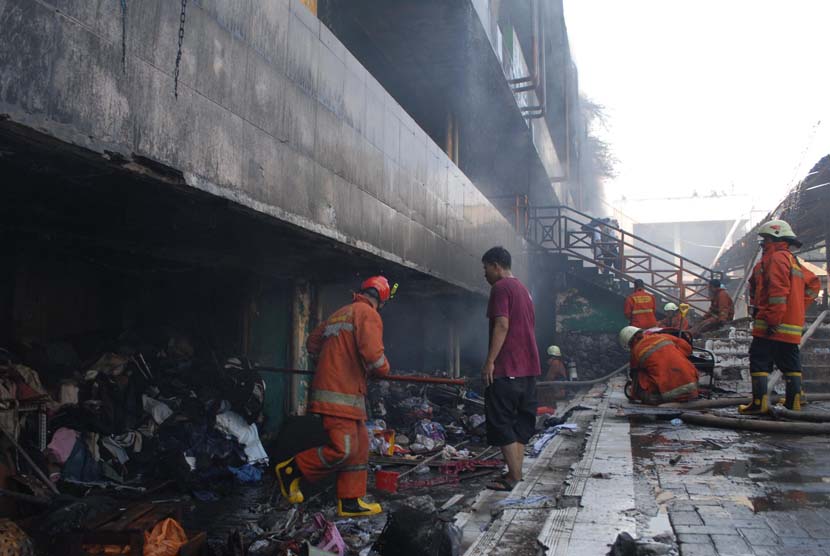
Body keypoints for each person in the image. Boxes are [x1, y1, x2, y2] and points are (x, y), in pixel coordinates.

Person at [274, 276, 392, 517]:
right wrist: (383, 371)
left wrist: (333, 359)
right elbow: (374, 356)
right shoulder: (368, 314)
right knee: (343, 449)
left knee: (359, 446)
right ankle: (292, 470)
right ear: (381, 299)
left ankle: (350, 502)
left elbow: (313, 342)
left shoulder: (340, 313)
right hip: (339, 394)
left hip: (345, 394)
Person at [739, 220, 820, 414]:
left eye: (765, 240)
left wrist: (772, 319)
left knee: (759, 360)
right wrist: (797, 306)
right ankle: (794, 403)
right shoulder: (792, 260)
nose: (762, 244)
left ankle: (759, 404)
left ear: (774, 238)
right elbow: (814, 285)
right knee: (790, 362)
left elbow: (777, 292)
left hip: (772, 323)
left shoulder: (775, 259)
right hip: (790, 324)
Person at [481, 246, 540, 491]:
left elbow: (502, 324)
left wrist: (490, 361)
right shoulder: (524, 290)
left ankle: (514, 477)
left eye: (485, 269)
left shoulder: (501, 288)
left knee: (500, 420)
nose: (484, 275)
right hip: (529, 368)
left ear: (496, 265)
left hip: (508, 367)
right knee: (521, 423)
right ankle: (515, 473)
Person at [619, 326, 699, 404]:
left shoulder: (635, 352)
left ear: (629, 342)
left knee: (640, 375)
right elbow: (688, 349)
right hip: (692, 386)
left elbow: (634, 375)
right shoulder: (663, 336)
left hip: (668, 394)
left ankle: (656, 399)